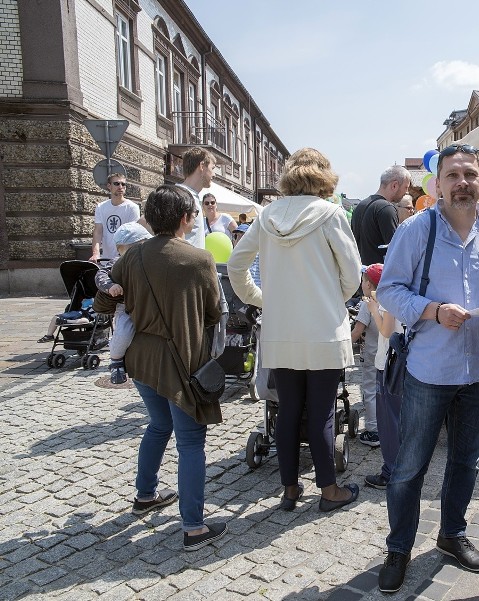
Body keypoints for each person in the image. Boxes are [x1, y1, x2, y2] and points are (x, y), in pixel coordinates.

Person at [376, 143, 479, 593]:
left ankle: (452, 535)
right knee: (410, 466)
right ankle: (399, 549)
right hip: (430, 371)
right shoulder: (416, 229)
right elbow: (389, 291)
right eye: (453, 175)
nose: (462, 183)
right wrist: (433, 310)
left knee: (466, 462)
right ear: (438, 184)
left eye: (470, 174)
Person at [227, 148, 362, 513]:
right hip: (322, 329)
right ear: (324, 176)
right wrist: (331, 300)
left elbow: (236, 266)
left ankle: (289, 488)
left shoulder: (266, 215)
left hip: (281, 328)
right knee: (320, 412)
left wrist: (263, 299)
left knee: (287, 411)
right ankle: (329, 491)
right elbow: (352, 275)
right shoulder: (331, 213)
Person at [108, 184, 226, 551]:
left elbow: (104, 297)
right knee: (190, 442)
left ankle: (145, 494)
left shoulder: (131, 257)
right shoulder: (198, 260)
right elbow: (212, 313)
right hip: (181, 362)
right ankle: (193, 528)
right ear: (184, 218)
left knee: (159, 425)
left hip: (141, 359)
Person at [361, 263, 404, 489]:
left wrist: (373, 310)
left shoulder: (390, 293)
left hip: (389, 363)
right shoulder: (404, 287)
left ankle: (390, 472)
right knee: (399, 419)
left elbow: (386, 330)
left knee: (388, 422)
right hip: (401, 361)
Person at [93, 222, 152, 384]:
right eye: (138, 246)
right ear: (122, 249)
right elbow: (100, 275)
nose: (142, 249)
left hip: (145, 305)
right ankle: (116, 360)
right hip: (125, 306)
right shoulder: (118, 262)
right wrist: (110, 286)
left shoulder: (147, 261)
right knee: (124, 331)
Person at [351, 165, 412, 265]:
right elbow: (396, 250)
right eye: (406, 187)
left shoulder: (360, 206)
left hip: (360, 274)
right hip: (379, 275)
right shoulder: (387, 209)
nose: (406, 192)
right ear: (394, 185)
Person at [350, 271, 381, 447]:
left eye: (363, 280)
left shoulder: (367, 304)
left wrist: (343, 347)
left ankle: (373, 430)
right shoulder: (390, 300)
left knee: (370, 391)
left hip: (372, 356)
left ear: (368, 284)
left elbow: (357, 331)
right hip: (389, 355)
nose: (361, 284)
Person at [90, 173, 140, 261]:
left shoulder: (132, 207)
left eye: (123, 184)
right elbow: (98, 232)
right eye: (116, 184)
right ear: (109, 186)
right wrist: (96, 254)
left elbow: (133, 235)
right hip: (105, 260)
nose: (120, 187)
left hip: (124, 261)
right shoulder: (101, 207)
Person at [175, 147, 218, 249]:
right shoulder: (178, 195)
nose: (214, 174)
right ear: (202, 166)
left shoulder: (189, 195)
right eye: (212, 168)